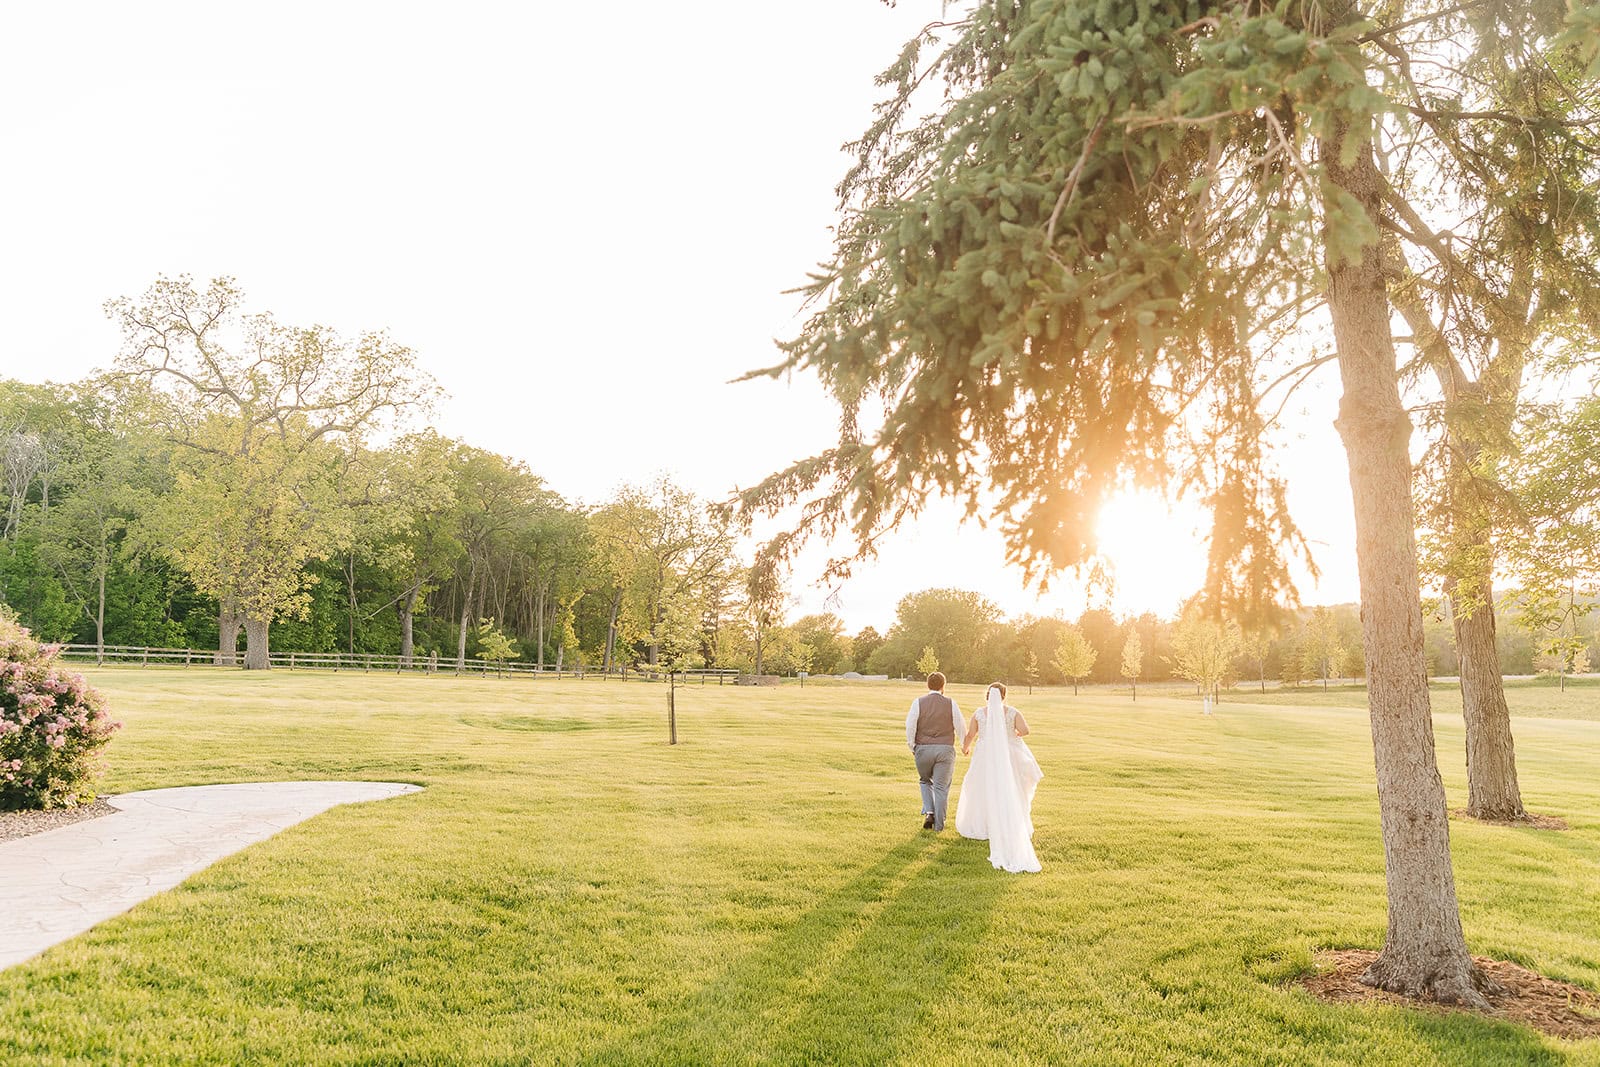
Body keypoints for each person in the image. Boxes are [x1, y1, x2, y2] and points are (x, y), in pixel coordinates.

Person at [954, 682, 1042, 873]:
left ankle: (983, 825)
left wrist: (965, 747)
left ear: (988, 695)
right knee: (1010, 787)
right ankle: (1011, 821)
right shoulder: (1012, 712)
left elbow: (970, 734)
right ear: (1004, 695)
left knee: (980, 788)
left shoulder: (979, 713)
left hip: (985, 755)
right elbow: (1025, 730)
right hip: (1008, 755)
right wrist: (1015, 734)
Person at [905, 671, 964, 831]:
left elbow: (910, 726)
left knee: (925, 780)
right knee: (941, 787)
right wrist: (964, 744)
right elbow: (960, 725)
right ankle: (939, 826)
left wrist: (913, 746)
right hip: (945, 749)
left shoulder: (918, 702)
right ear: (943, 686)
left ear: (927, 685)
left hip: (923, 749)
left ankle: (929, 812)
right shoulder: (951, 703)